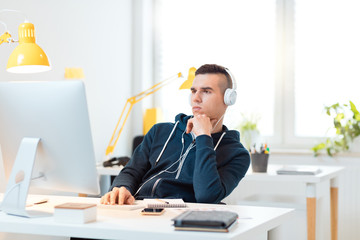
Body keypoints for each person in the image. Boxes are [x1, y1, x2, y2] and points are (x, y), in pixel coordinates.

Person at [100, 64, 250, 205]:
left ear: (228, 99)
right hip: (140, 209)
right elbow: (131, 171)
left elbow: (206, 196)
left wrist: (204, 137)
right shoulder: (159, 131)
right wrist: (122, 187)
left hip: (182, 221)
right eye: (193, 91)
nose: (195, 98)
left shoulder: (237, 155)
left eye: (206, 91)